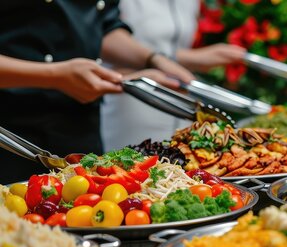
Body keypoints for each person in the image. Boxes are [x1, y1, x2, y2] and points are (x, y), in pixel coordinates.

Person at [0, 0, 195, 184]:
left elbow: (101, 27)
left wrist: (154, 59)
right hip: (10, 134)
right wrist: (54, 76)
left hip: (80, 129)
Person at [101, 0, 246, 152]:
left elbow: (172, 47)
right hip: (130, 102)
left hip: (180, 104)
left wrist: (190, 59)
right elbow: (101, 36)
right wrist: (185, 59)